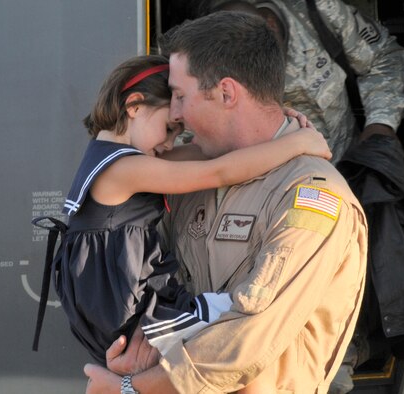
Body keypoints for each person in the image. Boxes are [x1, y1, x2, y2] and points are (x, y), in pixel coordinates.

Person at [84, 11, 367, 393]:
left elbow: (247, 340)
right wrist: (135, 348)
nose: (176, 114)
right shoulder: (196, 177)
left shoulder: (311, 195)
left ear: (227, 93)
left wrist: (132, 389)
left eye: (181, 96)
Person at [31, 52, 332, 385]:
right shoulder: (125, 169)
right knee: (230, 329)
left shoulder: (113, 156)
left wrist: (273, 125)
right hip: (130, 309)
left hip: (110, 306)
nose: (171, 142)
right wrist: (297, 144)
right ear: (134, 105)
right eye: (170, 128)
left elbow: (218, 151)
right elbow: (217, 171)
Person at [209, 0, 404, 164]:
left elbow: (385, 56)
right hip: (286, 191)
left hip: (355, 163)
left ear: (271, 24)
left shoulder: (320, 12)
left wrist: (381, 123)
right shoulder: (212, 62)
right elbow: (199, 137)